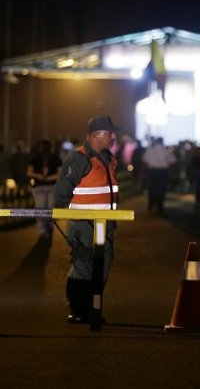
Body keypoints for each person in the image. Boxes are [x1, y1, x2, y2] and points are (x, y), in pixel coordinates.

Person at [54, 116, 121, 324]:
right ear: (95, 135)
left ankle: (92, 309)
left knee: (102, 266)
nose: (113, 136)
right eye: (109, 133)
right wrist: (74, 219)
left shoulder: (109, 158)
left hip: (105, 224)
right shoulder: (78, 159)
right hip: (83, 225)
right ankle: (78, 311)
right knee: (83, 267)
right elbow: (61, 195)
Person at [27, 139, 63, 241]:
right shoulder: (56, 159)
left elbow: (29, 172)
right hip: (51, 186)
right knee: (49, 209)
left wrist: (38, 176)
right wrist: (50, 178)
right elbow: (60, 174)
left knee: (40, 209)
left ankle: (43, 230)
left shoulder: (34, 159)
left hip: (39, 187)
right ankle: (48, 228)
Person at [141, 136, 176, 214]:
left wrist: (144, 173)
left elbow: (145, 162)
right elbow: (172, 162)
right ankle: (160, 206)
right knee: (161, 189)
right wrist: (171, 173)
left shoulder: (150, 150)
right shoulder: (165, 151)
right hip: (163, 172)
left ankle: (151, 204)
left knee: (152, 187)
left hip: (152, 171)